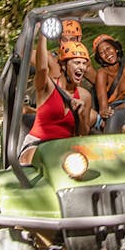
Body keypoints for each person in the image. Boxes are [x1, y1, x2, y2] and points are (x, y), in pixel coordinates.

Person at [20, 32, 95, 164]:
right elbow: (42, 68)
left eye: (84, 64)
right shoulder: (47, 86)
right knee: (46, 160)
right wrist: (43, 35)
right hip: (38, 145)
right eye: (77, 63)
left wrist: (81, 115)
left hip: (65, 149)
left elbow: (83, 134)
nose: (81, 68)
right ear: (64, 66)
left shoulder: (85, 96)